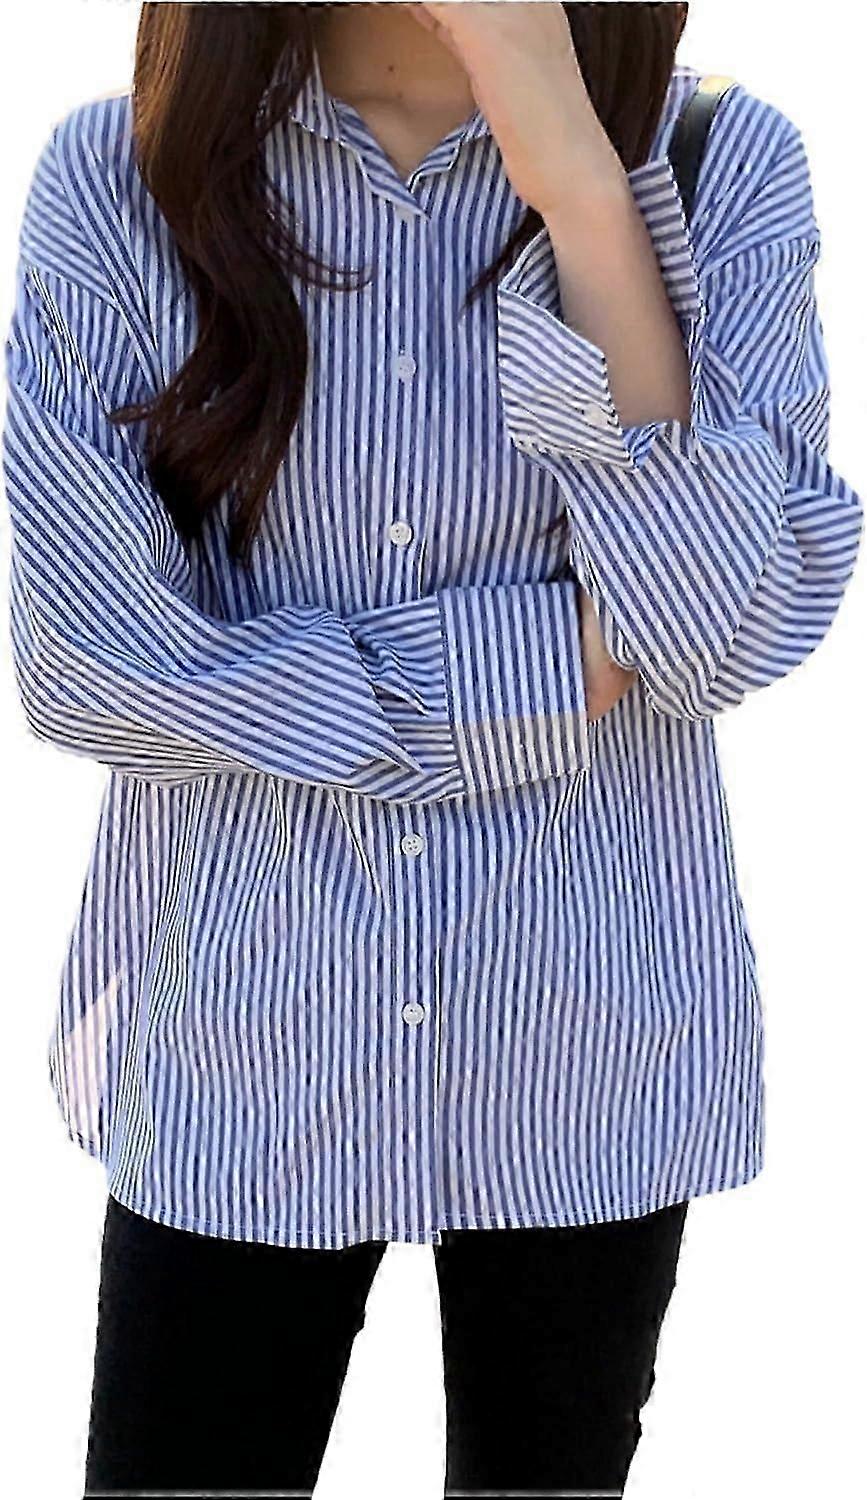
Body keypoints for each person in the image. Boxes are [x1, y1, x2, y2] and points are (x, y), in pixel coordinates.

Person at [2, 4, 861, 1497]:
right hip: (244, 1044)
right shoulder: (123, 178)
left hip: (587, 1044)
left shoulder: (713, 164)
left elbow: (715, 638)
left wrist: (577, 176)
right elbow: (92, 669)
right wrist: (540, 665)